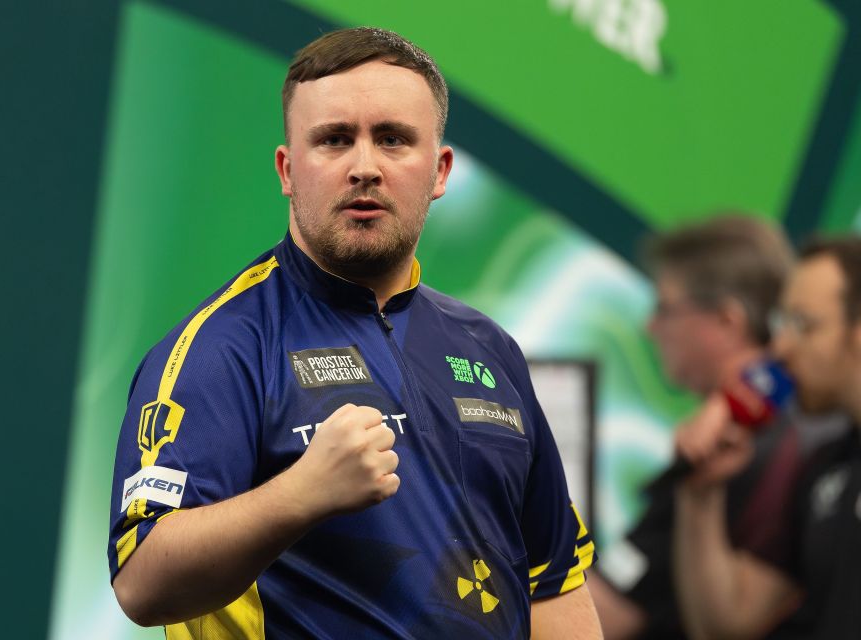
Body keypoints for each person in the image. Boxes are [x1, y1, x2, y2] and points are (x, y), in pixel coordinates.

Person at [107, 27, 601, 639]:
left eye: (393, 139)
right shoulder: (224, 345)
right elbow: (141, 579)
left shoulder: (490, 349)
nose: (364, 167)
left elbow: (552, 584)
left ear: (440, 169)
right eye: (335, 140)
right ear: (288, 169)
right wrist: (302, 494)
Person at [589, 215, 814, 639]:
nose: (649, 326)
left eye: (665, 308)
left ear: (729, 321)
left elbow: (602, 618)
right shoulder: (783, 433)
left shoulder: (750, 448)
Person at [673, 235, 861, 639]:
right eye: (783, 323)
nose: (781, 347)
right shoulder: (828, 468)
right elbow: (726, 626)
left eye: (803, 325)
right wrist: (701, 495)